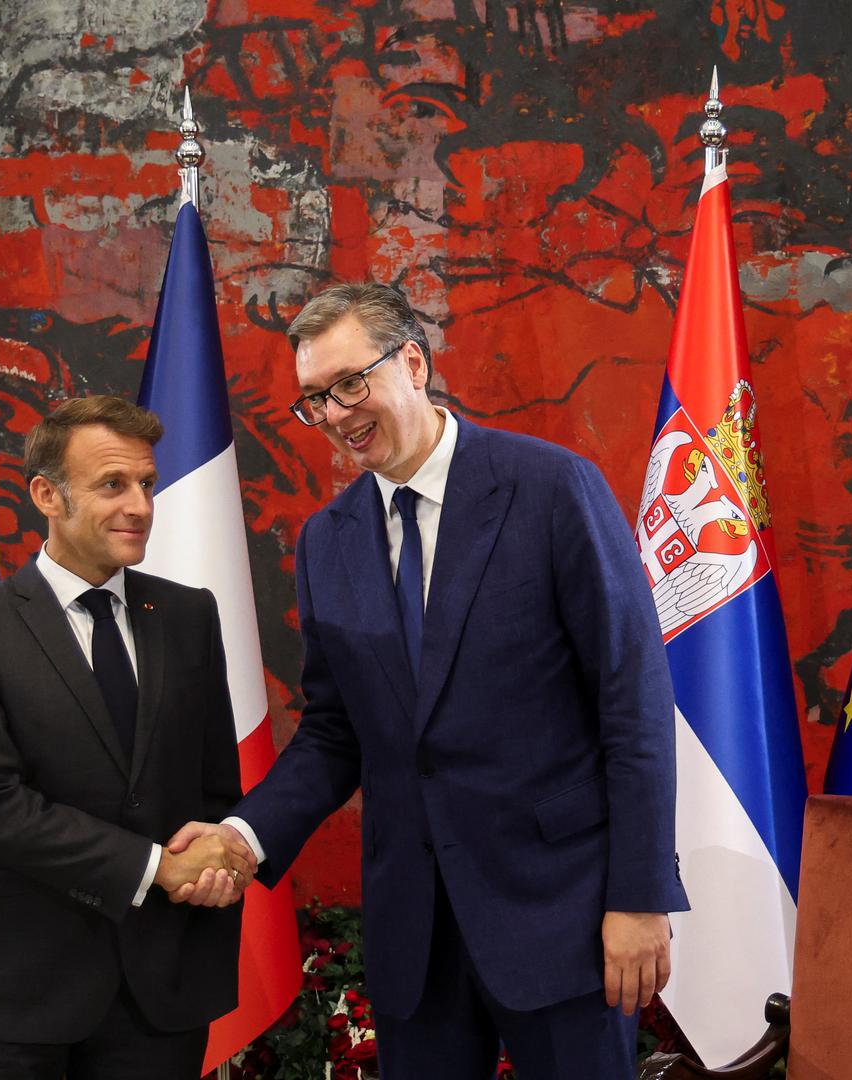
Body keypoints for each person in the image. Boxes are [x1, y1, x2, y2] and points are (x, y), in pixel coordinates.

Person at [170, 283, 688, 1078]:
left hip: (563, 916)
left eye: (350, 383)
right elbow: (336, 730)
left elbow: (635, 704)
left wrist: (640, 896)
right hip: (415, 932)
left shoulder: (551, 490)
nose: (337, 415)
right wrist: (242, 836)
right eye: (315, 400)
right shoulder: (326, 543)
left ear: (412, 362)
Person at [0, 395, 254, 1080]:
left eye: (147, 484)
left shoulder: (189, 616)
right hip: (14, 996)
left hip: (160, 995)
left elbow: (217, 787)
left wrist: (223, 851)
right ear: (47, 494)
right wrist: (159, 866)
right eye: (113, 485)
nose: (140, 505)